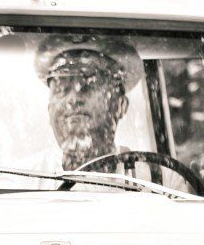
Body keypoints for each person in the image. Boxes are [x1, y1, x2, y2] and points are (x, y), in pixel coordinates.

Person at [34, 36, 140, 170]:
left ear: (120, 105)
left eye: (88, 86)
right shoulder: (21, 182)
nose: (73, 99)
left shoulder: (157, 180)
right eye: (62, 89)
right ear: (49, 109)